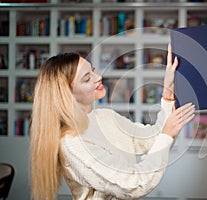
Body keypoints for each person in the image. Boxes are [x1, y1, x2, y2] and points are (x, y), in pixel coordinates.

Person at [30, 44, 195, 200]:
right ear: (67, 95)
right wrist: (167, 134)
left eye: (93, 71)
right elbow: (134, 184)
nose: (98, 77)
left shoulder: (104, 116)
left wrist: (168, 91)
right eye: (87, 79)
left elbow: (151, 140)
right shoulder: (73, 143)